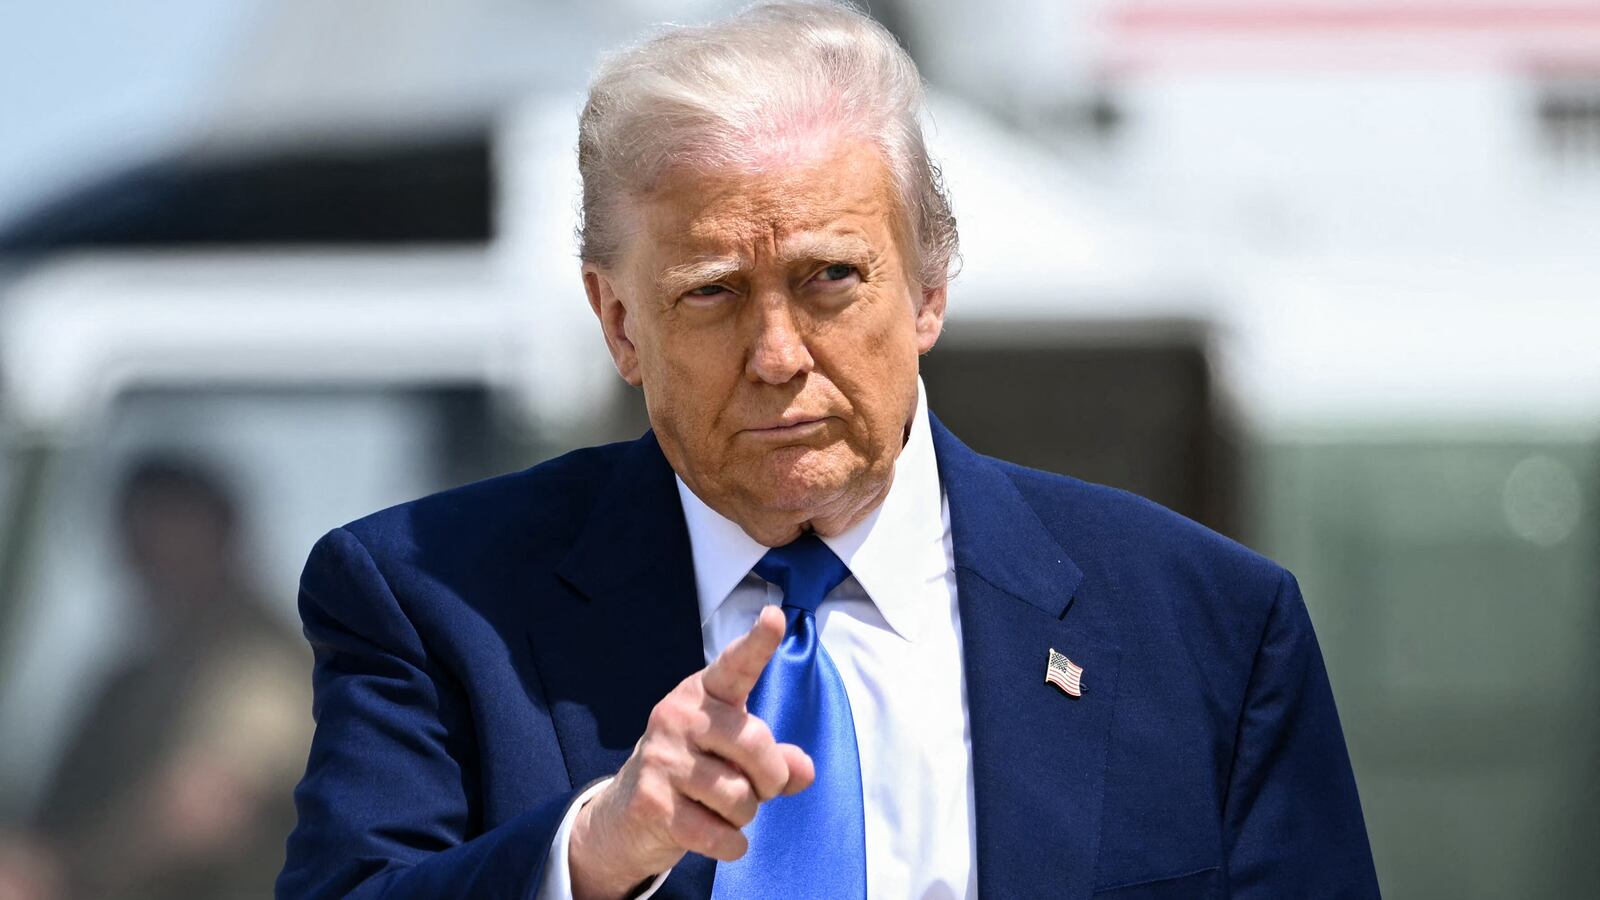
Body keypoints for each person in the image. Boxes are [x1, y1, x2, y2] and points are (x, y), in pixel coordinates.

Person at [277, 2, 1380, 898]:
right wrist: (592, 856)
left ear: (929, 286)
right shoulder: (429, 599)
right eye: (712, 293)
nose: (777, 354)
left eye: (830, 278)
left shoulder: (1206, 627)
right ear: (619, 323)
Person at [1, 456, 310, 900]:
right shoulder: (132, 680)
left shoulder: (262, 662)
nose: (148, 556)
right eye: (136, 535)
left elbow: (209, 805)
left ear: (224, 534)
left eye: (169, 532)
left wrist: (65, 874)